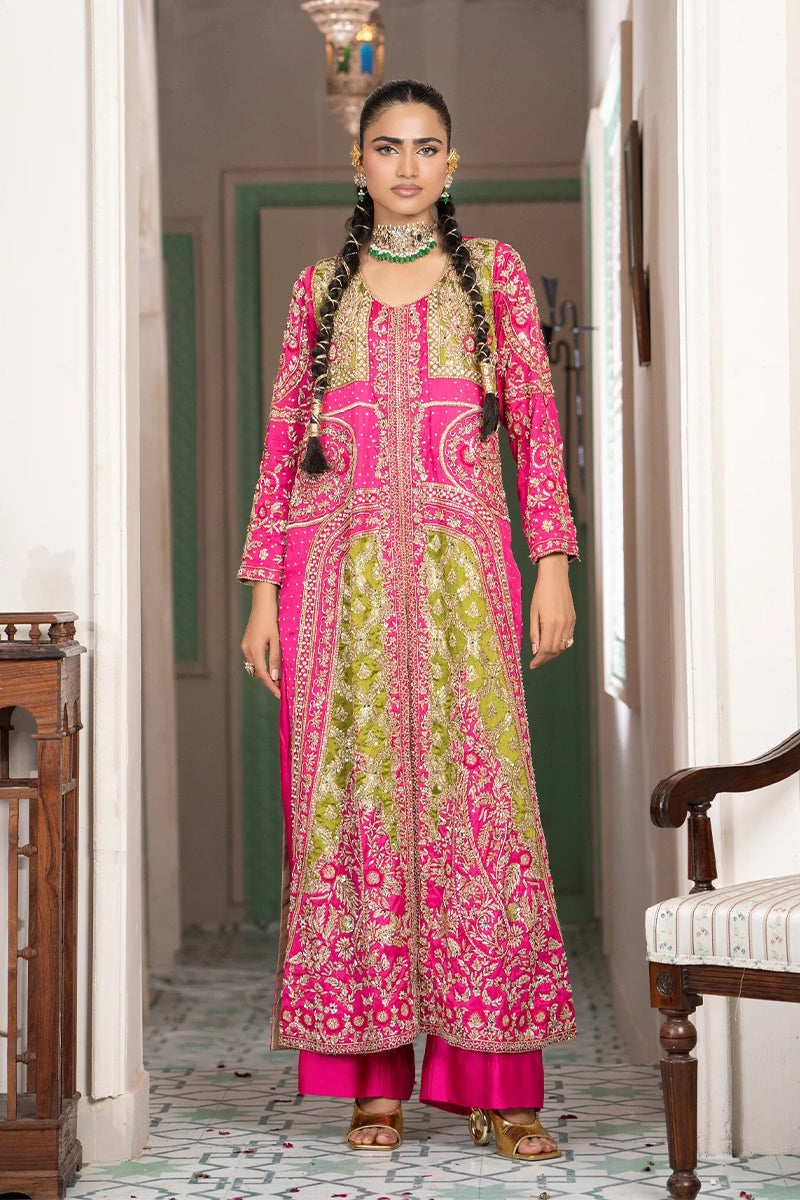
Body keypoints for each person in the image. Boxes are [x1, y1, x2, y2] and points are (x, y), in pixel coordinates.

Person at [239, 79, 579, 1161]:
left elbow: (535, 425)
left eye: (425, 148)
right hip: (335, 590)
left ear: (452, 163)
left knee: (480, 811)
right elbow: (282, 444)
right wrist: (261, 593)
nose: (405, 166)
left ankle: (500, 1084)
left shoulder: (495, 275)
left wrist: (553, 565)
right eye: (386, 147)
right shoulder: (315, 291)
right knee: (355, 816)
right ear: (359, 162)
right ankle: (370, 1081)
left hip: (462, 587)